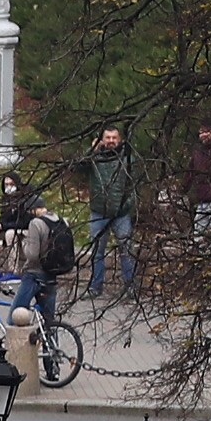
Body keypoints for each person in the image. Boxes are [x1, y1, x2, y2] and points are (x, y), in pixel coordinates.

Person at [84, 124, 140, 297]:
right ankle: (95, 287)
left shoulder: (128, 158)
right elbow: (78, 167)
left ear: (120, 140)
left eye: (114, 138)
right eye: (107, 138)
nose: (111, 141)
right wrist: (92, 150)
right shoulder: (94, 158)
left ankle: (130, 287)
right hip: (98, 210)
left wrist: (125, 204)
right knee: (97, 252)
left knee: (126, 250)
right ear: (102, 140)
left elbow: (135, 185)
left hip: (121, 213)